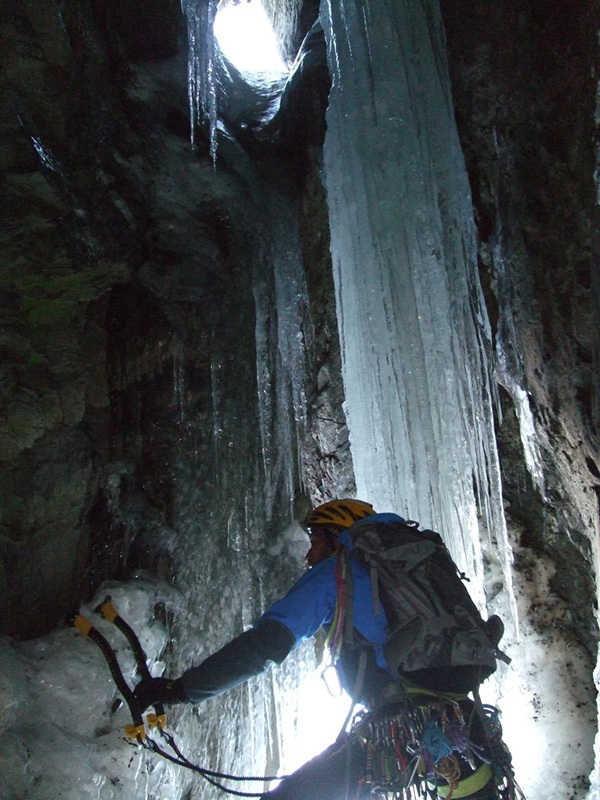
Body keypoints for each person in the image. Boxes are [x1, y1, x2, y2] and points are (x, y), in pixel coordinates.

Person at [134, 499, 511, 799]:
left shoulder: (339, 571)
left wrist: (183, 689)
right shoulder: (419, 564)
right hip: (466, 725)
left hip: (402, 728)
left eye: (316, 541)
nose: (308, 555)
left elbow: (266, 644)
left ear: (336, 537)